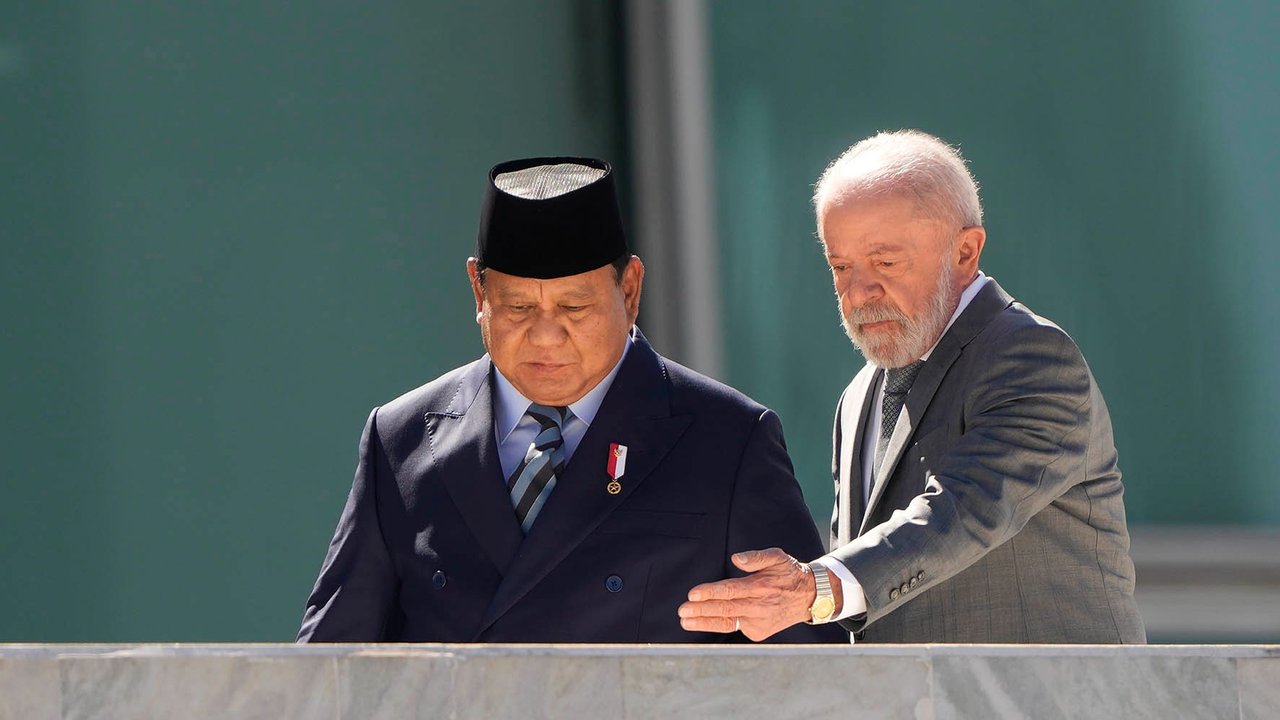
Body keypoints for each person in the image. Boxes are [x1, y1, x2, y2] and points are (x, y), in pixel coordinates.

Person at [298, 156, 841, 643]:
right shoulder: (403, 437)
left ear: (629, 291)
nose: (545, 336)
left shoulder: (728, 440)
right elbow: (330, 665)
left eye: (574, 308)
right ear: (479, 293)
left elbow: (805, 675)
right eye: (518, 308)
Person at [678, 131, 1146, 643]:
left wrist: (816, 589)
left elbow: (963, 511)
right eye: (840, 267)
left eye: (885, 262)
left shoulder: (1031, 356)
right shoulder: (859, 396)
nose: (858, 292)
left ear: (965, 252)